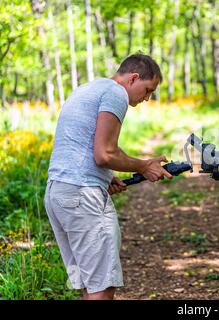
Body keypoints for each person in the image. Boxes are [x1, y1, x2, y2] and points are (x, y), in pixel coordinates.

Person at [44, 54, 172, 300]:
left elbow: (87, 146)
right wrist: (144, 166)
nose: (146, 98)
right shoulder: (116, 94)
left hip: (58, 194)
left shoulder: (88, 88)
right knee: (102, 287)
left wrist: (106, 175)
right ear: (133, 78)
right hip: (83, 197)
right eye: (147, 90)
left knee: (91, 285)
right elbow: (105, 153)